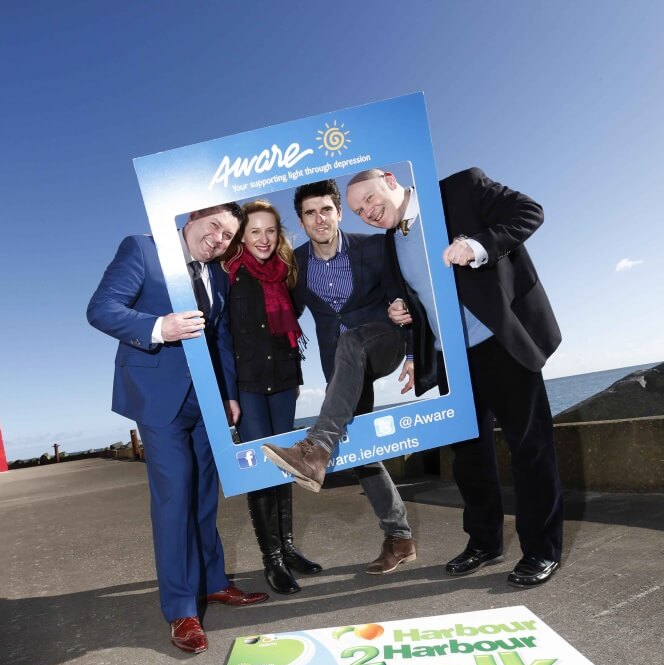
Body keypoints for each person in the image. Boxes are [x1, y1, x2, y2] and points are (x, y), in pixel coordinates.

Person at [343, 166, 565, 588]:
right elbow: (413, 296)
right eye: (357, 210)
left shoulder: (461, 189)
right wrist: (399, 310)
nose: (367, 212)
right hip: (450, 358)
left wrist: (477, 244)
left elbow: (529, 211)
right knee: (469, 458)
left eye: (370, 199)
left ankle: (541, 550)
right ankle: (484, 543)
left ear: (391, 181)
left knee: (530, 449)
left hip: (500, 341)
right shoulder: (391, 242)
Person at [87, 203, 268, 655]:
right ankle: (181, 609)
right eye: (214, 227)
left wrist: (227, 395)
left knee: (206, 495)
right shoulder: (142, 250)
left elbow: (220, 337)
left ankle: (213, 583)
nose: (219, 239)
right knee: (174, 499)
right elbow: (101, 309)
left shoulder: (219, 275)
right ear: (190, 219)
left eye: (228, 235)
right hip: (157, 396)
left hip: (206, 400)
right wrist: (157, 327)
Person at [262, 179, 417, 575]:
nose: (319, 219)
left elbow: (404, 294)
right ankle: (399, 538)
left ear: (338, 213)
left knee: (354, 343)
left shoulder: (373, 246)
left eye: (326, 210)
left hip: (382, 341)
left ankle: (314, 449)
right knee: (364, 452)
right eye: (310, 213)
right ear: (302, 220)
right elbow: (284, 320)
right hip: (342, 370)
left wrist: (414, 349)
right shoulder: (295, 266)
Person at [222, 200, 321, 595]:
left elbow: (290, 331)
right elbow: (222, 338)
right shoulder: (228, 274)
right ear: (241, 237)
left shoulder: (286, 274)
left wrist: (295, 376)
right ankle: (272, 560)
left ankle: (289, 548)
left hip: (282, 381)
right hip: (247, 385)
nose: (263, 239)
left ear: (278, 234)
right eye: (254, 232)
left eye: (270, 231)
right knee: (262, 471)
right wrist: (229, 394)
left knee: (285, 465)